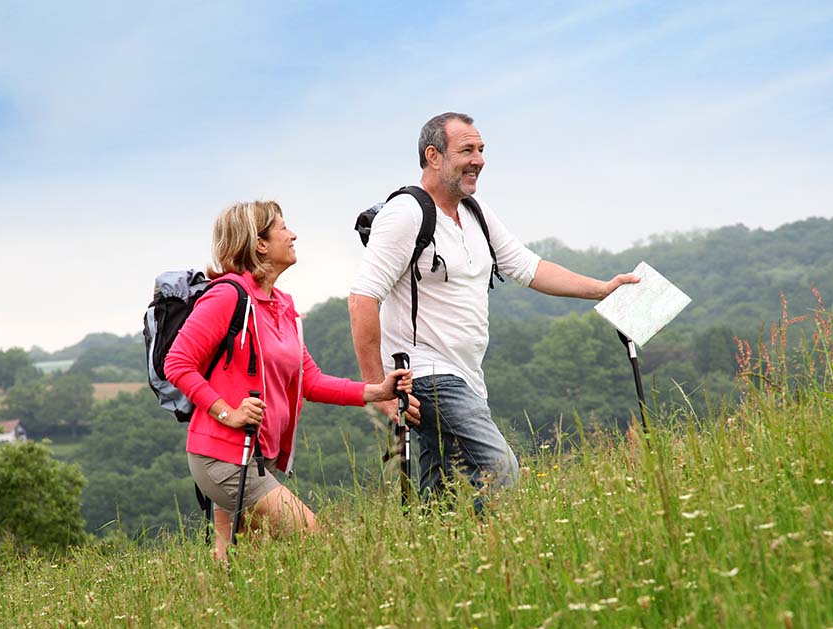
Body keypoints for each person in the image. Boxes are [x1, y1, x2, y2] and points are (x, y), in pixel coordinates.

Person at [349, 112, 639, 508]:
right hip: (427, 374)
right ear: (433, 156)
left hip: (468, 376)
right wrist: (377, 390)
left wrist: (601, 289)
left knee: (442, 496)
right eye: (466, 150)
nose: (479, 160)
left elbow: (529, 268)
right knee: (500, 469)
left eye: (481, 150)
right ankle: (500, 554)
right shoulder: (405, 214)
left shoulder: (475, 211)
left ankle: (442, 559)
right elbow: (363, 298)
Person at [165, 200, 418, 560]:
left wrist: (375, 391)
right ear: (260, 243)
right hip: (222, 455)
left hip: (257, 454)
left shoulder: (281, 305)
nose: (293, 234)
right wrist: (228, 412)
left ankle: (212, 612)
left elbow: (309, 381)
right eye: (283, 227)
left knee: (240, 559)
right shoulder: (227, 296)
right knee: (313, 535)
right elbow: (178, 363)